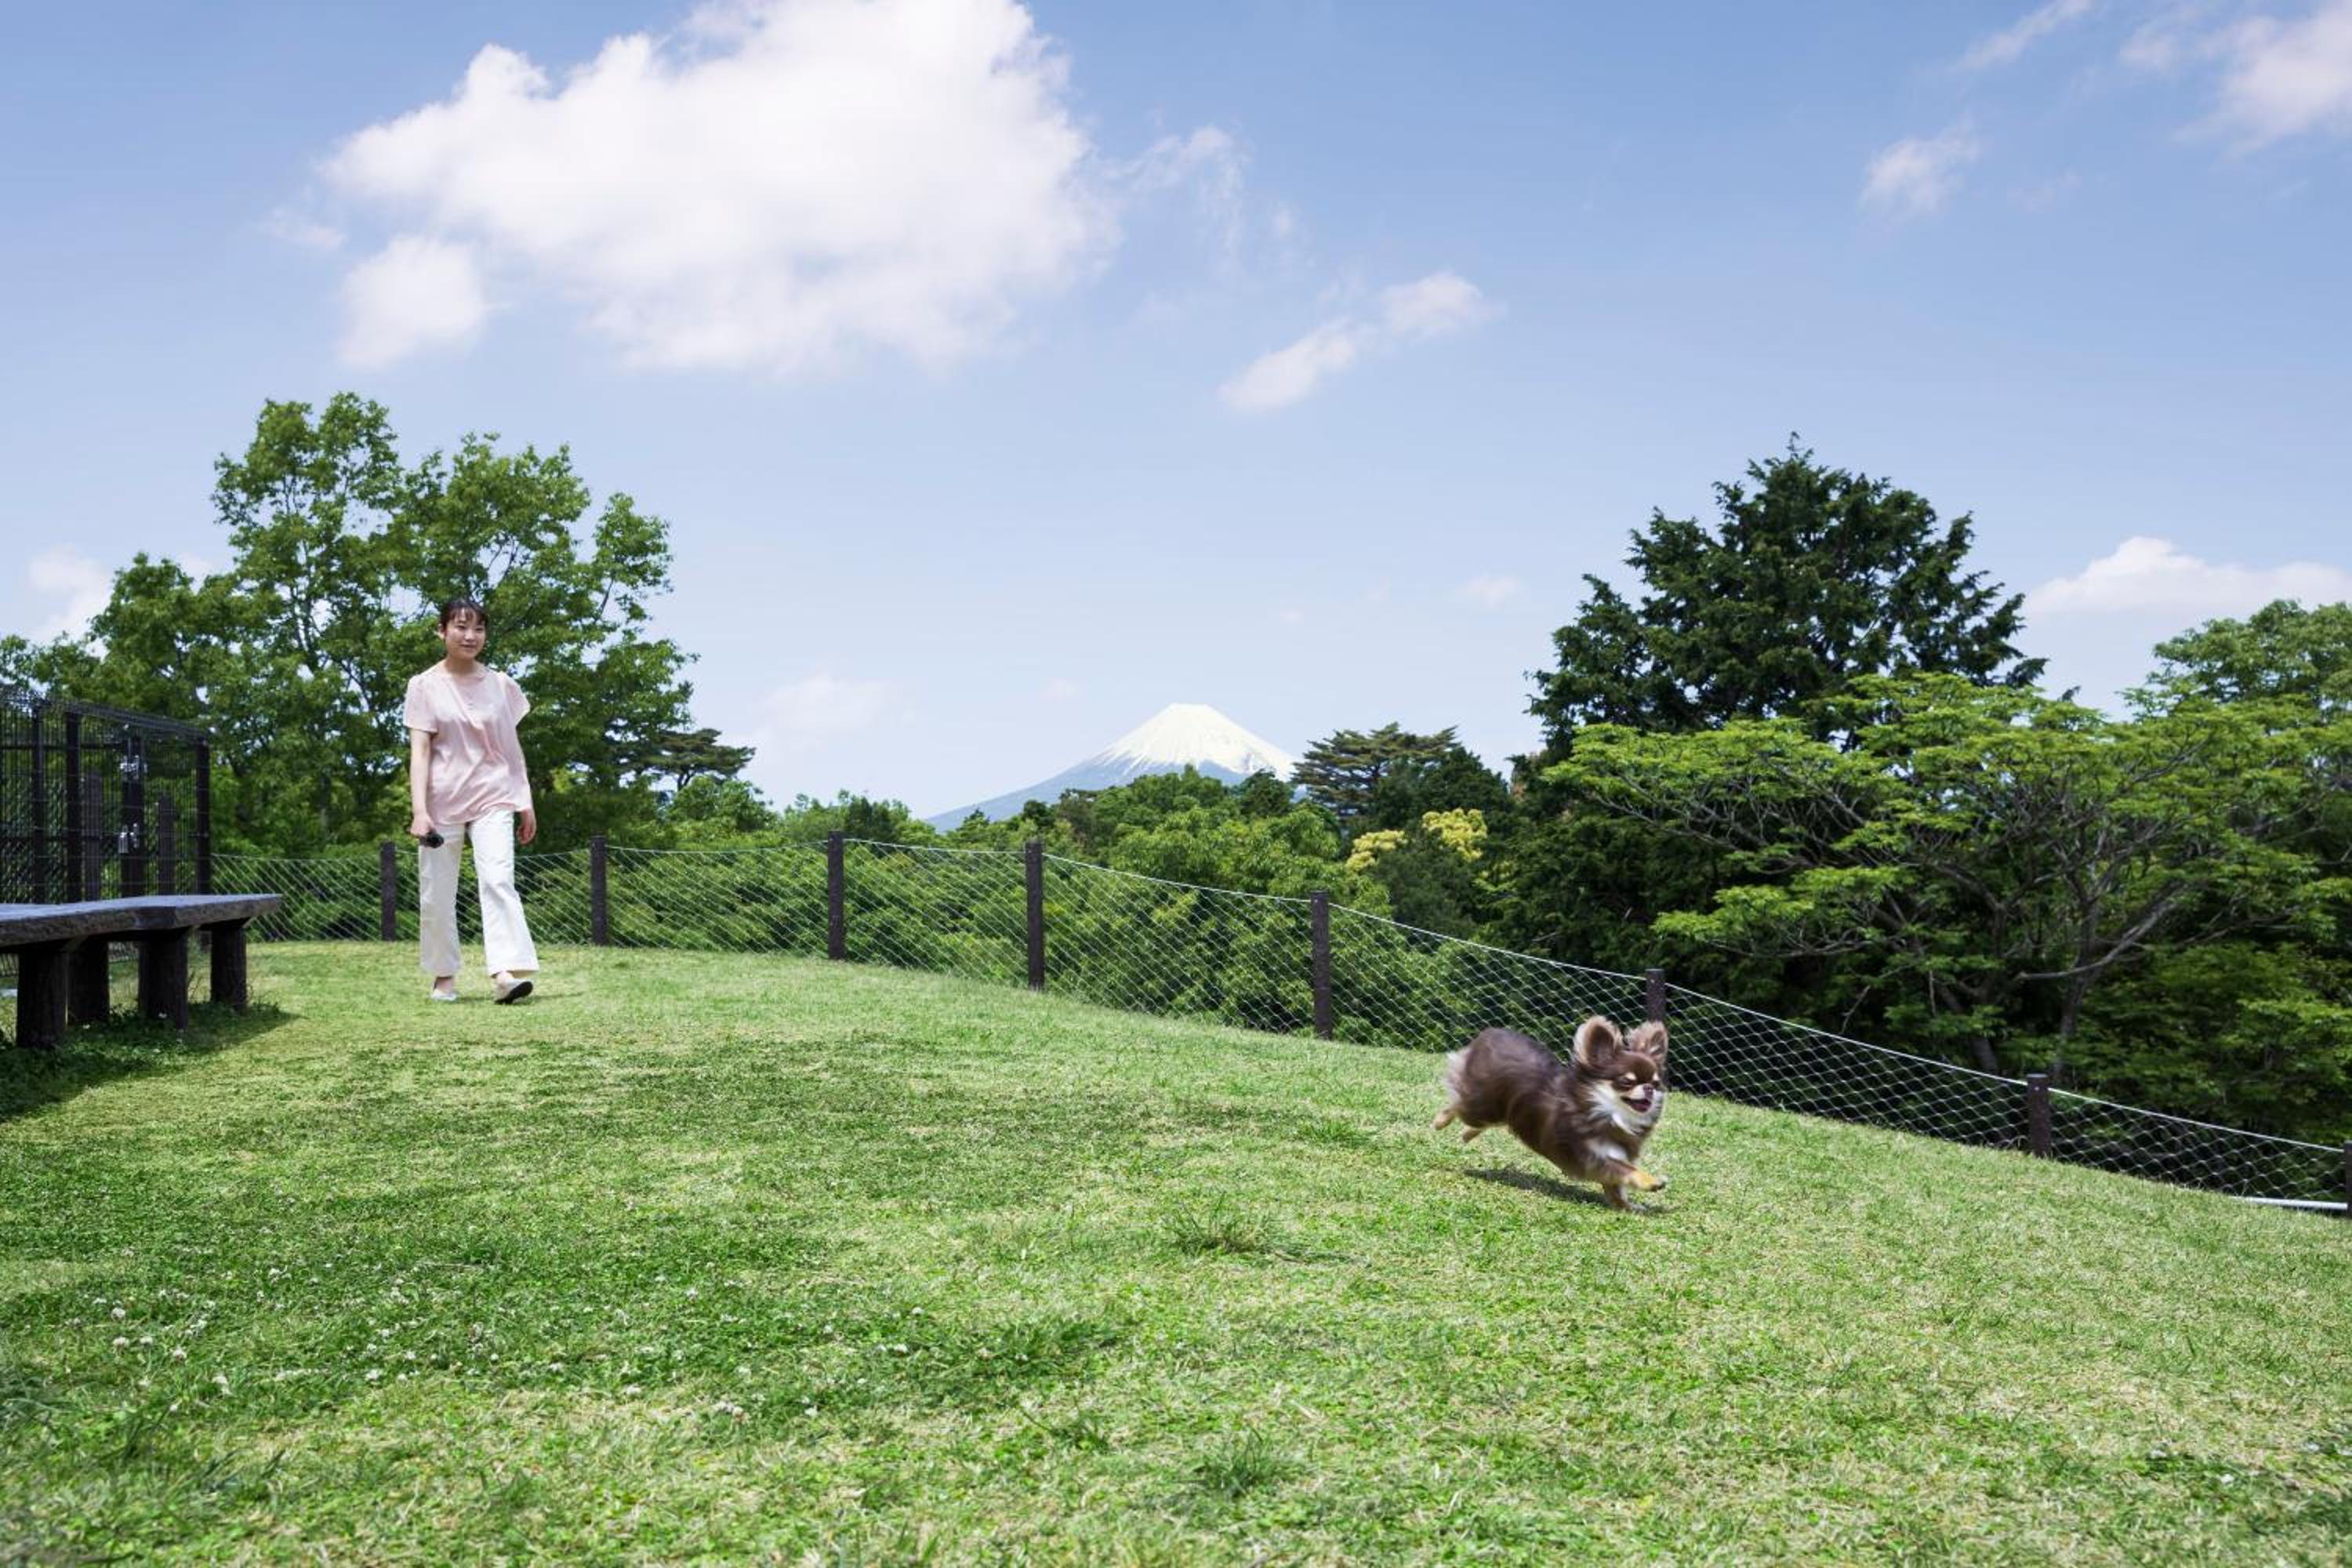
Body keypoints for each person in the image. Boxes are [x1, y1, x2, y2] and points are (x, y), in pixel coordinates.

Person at [405, 596, 539, 1004]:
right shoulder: (423, 685)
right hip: (441, 800)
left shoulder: (501, 685)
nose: (470, 636)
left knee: (498, 879)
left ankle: (504, 974)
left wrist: (525, 799)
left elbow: (510, 746)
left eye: (478, 628)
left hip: (493, 794)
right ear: (441, 631)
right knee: (436, 892)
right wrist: (419, 811)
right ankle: (444, 976)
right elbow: (420, 752)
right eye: (461, 627)